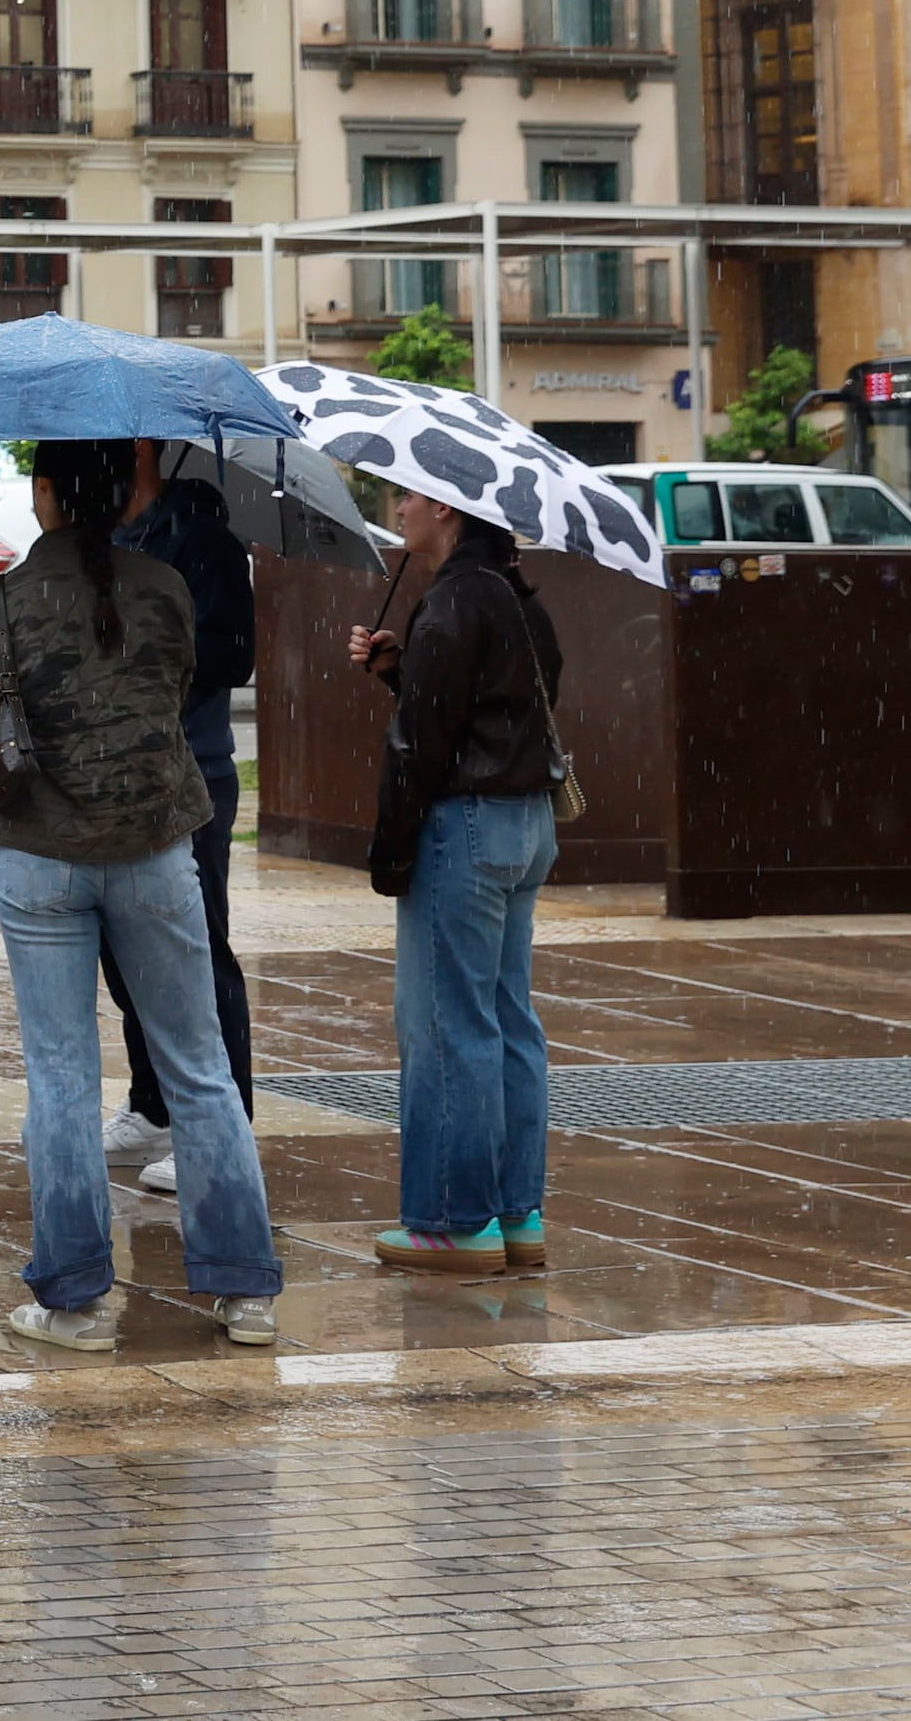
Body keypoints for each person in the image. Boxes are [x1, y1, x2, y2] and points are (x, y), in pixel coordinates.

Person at [0, 441, 283, 1356]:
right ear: (120, 496)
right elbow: (174, 694)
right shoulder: (165, 586)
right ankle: (246, 1291)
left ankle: (73, 1302)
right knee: (200, 1068)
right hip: (156, 846)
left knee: (61, 1078)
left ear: (47, 496)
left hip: (40, 857)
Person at [356, 488, 565, 1275]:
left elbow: (422, 744)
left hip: (466, 826)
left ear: (448, 509)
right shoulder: (515, 595)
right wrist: (399, 669)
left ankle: (452, 1219)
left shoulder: (450, 603)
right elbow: (499, 709)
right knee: (509, 1018)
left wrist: (390, 852)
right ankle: (517, 1213)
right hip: (525, 821)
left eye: (408, 497)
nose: (397, 508)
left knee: (446, 1025)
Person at [101, 456, 259, 1197]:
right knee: (122, 940)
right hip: (115, 766)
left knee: (195, 948)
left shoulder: (204, 540)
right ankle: (154, 1102)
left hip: (190, 766)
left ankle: (223, 1126)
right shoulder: (101, 532)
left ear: (139, 448)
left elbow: (235, 652)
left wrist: (151, 644)